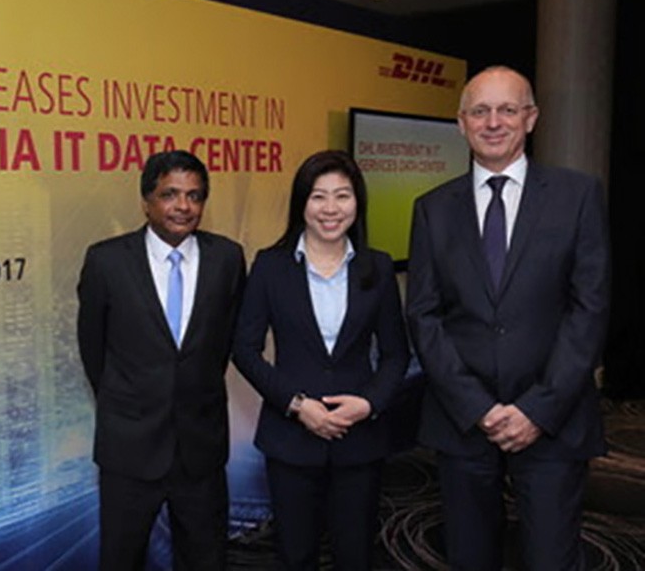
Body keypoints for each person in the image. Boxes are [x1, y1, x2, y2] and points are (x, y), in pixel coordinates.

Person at [406, 66, 610, 570]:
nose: (493, 122)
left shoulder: (578, 196)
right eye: (480, 111)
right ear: (461, 123)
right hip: (463, 422)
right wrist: (477, 406)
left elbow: (589, 309)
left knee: (550, 559)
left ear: (531, 118)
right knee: (469, 557)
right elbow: (424, 315)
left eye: (507, 109)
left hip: (552, 419)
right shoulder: (432, 209)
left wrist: (537, 409)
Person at [233, 150, 409, 570]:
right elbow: (244, 349)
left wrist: (368, 404)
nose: (331, 209)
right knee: (295, 555)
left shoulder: (378, 267)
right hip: (290, 439)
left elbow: (395, 353)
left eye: (342, 196)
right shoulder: (270, 266)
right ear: (302, 203)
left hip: (359, 439)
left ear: (357, 202)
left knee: (356, 555)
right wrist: (296, 405)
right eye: (318, 196)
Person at [76, 150, 246, 571]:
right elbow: (93, 349)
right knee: (121, 560)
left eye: (194, 195)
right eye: (170, 194)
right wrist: (129, 401)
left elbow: (223, 343)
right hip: (129, 449)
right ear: (146, 201)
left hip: (200, 447)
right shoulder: (106, 261)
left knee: (206, 560)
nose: (183, 206)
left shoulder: (227, 258)